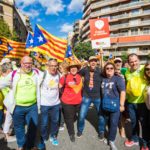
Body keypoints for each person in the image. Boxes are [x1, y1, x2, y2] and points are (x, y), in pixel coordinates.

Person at [0, 56, 40, 150]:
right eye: (25, 63)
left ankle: (30, 146)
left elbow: (50, 74)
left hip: (32, 106)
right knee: (19, 128)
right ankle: (21, 145)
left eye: (29, 63)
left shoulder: (36, 73)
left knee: (33, 127)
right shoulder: (14, 74)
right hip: (17, 107)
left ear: (32, 64)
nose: (27, 65)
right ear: (21, 64)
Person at [100, 62, 126, 150]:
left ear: (114, 69)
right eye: (107, 68)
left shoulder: (118, 79)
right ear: (105, 70)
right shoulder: (103, 78)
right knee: (108, 123)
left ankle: (111, 141)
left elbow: (123, 92)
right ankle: (109, 137)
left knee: (114, 124)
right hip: (105, 105)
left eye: (111, 68)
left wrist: (122, 105)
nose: (109, 70)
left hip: (115, 106)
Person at [124, 53, 148, 148]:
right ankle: (135, 139)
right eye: (131, 62)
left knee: (144, 124)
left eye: (135, 61)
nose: (134, 63)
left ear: (139, 60)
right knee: (133, 123)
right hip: (131, 103)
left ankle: (145, 144)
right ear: (128, 63)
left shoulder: (144, 69)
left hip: (143, 102)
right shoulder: (126, 72)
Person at [77, 56, 103, 138]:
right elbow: (76, 75)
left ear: (96, 62)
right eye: (91, 61)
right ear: (89, 62)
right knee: (81, 116)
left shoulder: (100, 70)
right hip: (86, 96)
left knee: (101, 116)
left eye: (94, 61)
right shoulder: (85, 69)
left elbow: (109, 76)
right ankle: (80, 130)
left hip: (98, 97)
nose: (93, 62)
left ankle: (101, 131)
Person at [59, 61, 82, 142]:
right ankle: (71, 134)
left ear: (77, 69)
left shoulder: (80, 76)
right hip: (67, 102)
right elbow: (57, 87)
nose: (73, 69)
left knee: (76, 116)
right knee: (69, 119)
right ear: (69, 69)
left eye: (75, 67)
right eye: (71, 67)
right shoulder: (64, 77)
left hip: (78, 102)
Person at [39, 59, 60, 147]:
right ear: (48, 66)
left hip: (55, 103)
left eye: (55, 66)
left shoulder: (59, 74)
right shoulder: (42, 74)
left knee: (55, 121)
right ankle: (43, 138)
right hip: (44, 104)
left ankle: (53, 136)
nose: (53, 67)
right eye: (51, 65)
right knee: (44, 123)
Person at [0, 63, 16, 142]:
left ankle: (7, 135)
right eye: (11, 69)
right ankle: (7, 135)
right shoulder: (4, 79)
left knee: (9, 119)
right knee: (11, 118)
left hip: (10, 102)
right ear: (7, 70)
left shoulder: (7, 77)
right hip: (10, 102)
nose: (12, 71)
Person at [142, 61, 150, 150]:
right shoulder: (147, 81)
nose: (149, 71)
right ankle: (145, 144)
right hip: (146, 109)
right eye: (147, 69)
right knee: (145, 127)